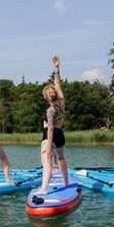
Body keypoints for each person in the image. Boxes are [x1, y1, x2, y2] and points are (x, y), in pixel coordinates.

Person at [35, 55, 68, 195]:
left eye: (51, 91)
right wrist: (57, 68)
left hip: (51, 136)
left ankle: (44, 188)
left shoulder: (50, 110)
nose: (51, 92)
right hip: (60, 135)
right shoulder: (61, 101)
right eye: (50, 91)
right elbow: (58, 83)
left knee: (46, 162)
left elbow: (50, 128)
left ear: (47, 97)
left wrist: (48, 147)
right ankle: (66, 182)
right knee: (60, 158)